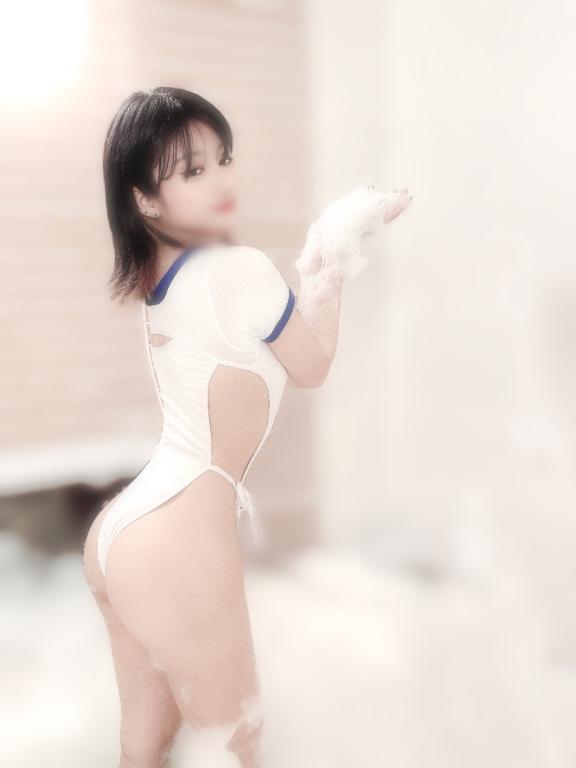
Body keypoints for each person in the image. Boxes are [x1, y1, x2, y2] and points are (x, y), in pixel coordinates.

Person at [81, 86, 411, 768]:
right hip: (177, 540)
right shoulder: (237, 269)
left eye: (223, 158)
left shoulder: (159, 276)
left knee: (144, 747)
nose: (222, 179)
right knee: (238, 751)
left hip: (125, 532)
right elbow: (312, 365)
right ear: (146, 200)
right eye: (193, 170)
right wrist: (335, 241)